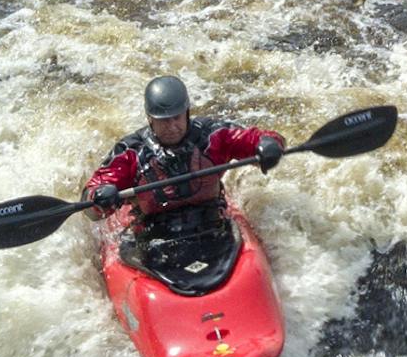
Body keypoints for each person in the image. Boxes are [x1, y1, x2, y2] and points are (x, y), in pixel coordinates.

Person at [82, 74, 283, 244]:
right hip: (153, 236)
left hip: (213, 225)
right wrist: (99, 197)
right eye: (163, 121)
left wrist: (269, 146)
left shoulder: (213, 136)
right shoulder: (131, 152)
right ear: (150, 119)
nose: (172, 127)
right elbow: (93, 197)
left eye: (176, 118)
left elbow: (259, 139)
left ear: (187, 113)